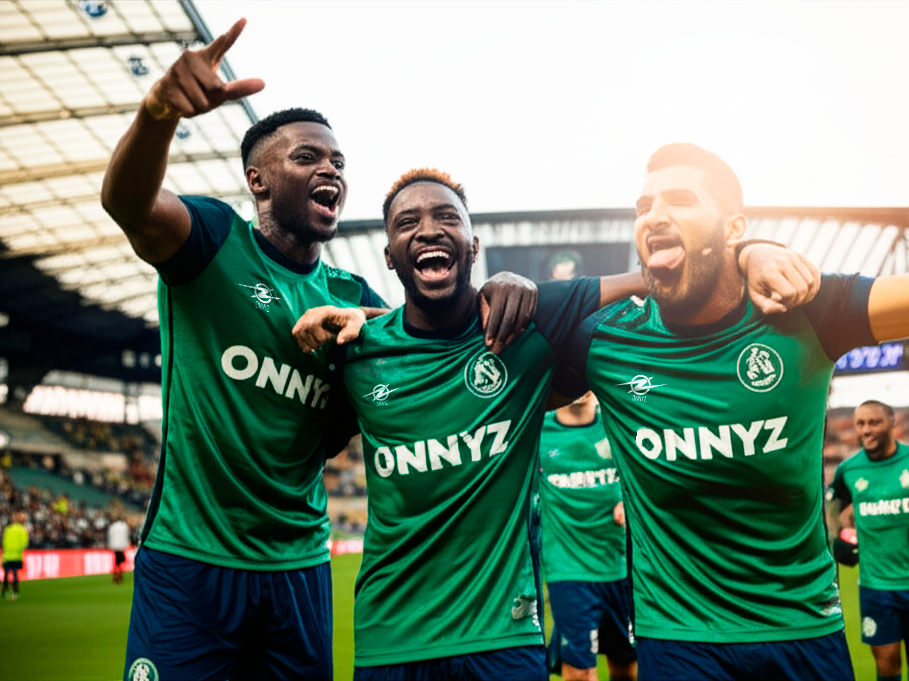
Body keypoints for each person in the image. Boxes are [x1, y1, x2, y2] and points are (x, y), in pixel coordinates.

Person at [100, 20, 536, 681]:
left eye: (338, 162)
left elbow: (425, 341)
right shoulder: (213, 244)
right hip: (192, 557)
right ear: (258, 180)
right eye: (306, 157)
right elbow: (129, 204)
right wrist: (159, 113)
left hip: (299, 565)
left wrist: (505, 282)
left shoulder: (351, 295)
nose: (329, 167)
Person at [293, 167, 818, 680]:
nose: (428, 229)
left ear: (473, 246)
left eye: (447, 217)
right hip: (391, 637)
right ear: (388, 255)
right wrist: (361, 315)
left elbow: (665, 274)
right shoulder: (355, 351)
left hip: (504, 637)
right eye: (407, 223)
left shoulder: (532, 324)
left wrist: (751, 251)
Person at [558, 141, 909, 681]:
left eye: (680, 200)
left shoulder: (809, 309)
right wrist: (502, 287)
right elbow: (490, 349)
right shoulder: (606, 342)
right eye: (643, 207)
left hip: (804, 634)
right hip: (679, 642)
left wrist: (752, 253)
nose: (655, 215)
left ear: (733, 229)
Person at [827, 400, 909, 681]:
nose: (866, 430)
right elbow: (832, 505)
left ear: (892, 423)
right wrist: (835, 537)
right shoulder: (849, 470)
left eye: (874, 422)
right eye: (860, 424)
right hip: (876, 588)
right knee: (886, 665)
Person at [539, 391, 636, 681]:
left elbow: (651, 477)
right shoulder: (535, 431)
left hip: (621, 566)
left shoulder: (621, 424)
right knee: (579, 671)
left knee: (626, 666)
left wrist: (631, 505)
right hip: (568, 570)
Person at [2, 511, 28, 602]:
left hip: (7, 554)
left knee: (6, 572)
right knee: (14, 572)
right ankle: (15, 588)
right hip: (16, 555)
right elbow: (24, 543)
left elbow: (4, 541)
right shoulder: (22, 529)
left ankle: (4, 588)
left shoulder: (8, 529)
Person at [107, 514, 131, 585]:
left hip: (115, 546)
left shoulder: (112, 526)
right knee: (121, 561)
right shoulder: (124, 526)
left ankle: (116, 574)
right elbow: (126, 535)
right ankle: (119, 575)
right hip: (121, 546)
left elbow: (110, 535)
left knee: (117, 561)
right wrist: (126, 544)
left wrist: (111, 545)